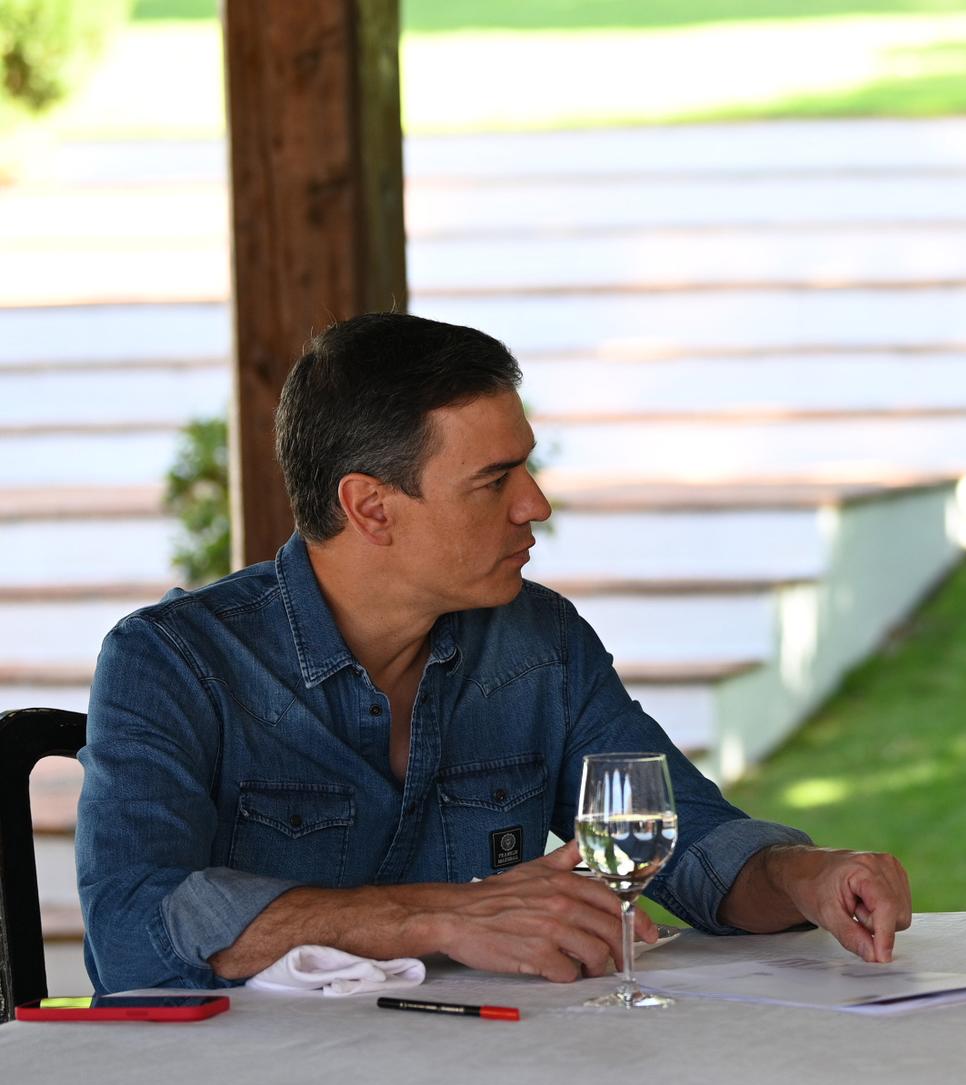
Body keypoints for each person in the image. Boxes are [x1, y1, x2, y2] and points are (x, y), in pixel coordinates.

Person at [77, 312, 911, 992]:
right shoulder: (173, 663)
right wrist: (442, 915)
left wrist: (804, 874)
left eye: (528, 469)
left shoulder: (541, 644)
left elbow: (681, 847)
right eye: (494, 479)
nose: (535, 504)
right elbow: (130, 933)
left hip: (497, 1079)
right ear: (371, 508)